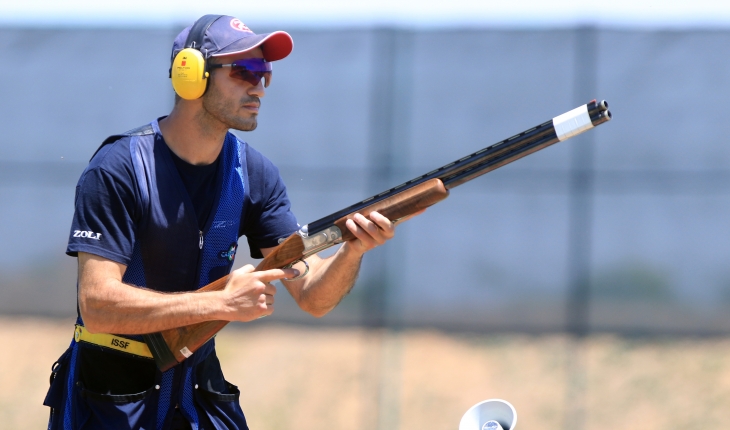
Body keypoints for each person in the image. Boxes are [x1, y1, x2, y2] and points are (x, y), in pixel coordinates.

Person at [44, 14, 402, 430]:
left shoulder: (254, 173)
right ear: (191, 74)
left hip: (197, 394)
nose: (260, 86)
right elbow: (99, 306)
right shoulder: (119, 168)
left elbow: (313, 297)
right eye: (246, 70)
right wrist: (219, 303)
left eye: (265, 72)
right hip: (112, 401)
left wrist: (353, 250)